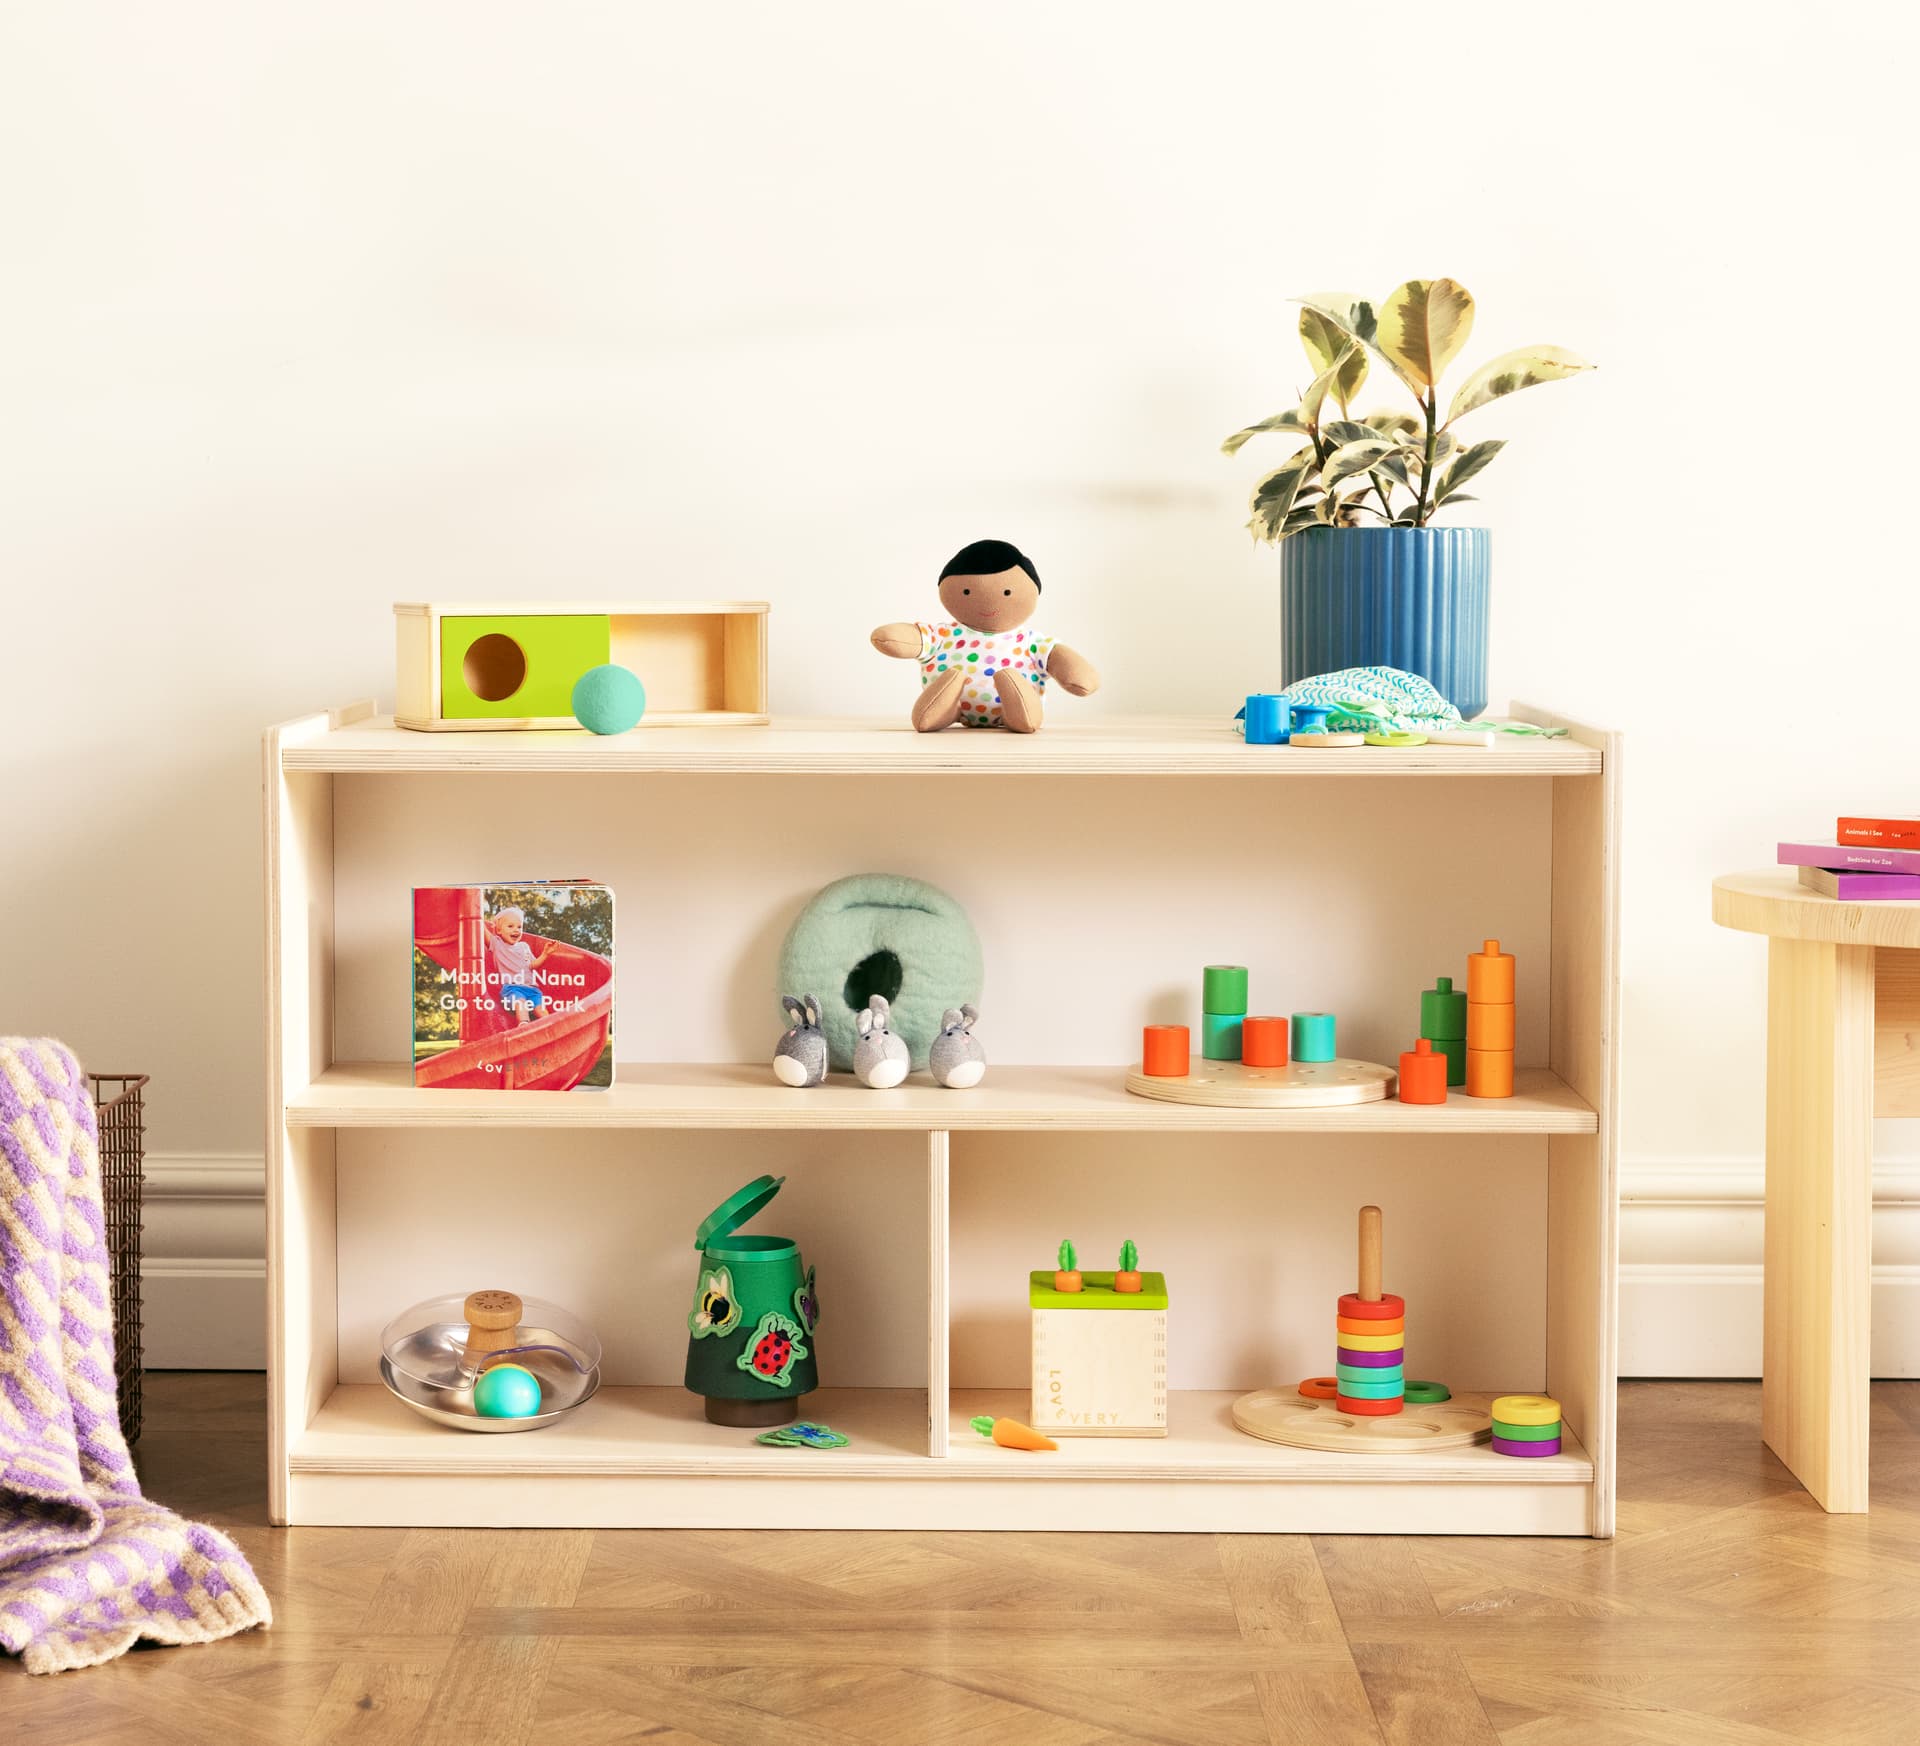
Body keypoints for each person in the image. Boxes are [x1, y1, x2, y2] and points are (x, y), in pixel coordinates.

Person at [484, 906, 554, 1024]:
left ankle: (551, 1026)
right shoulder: (497, 944)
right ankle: (524, 1024)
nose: (516, 930)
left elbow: (532, 965)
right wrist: (475, 914)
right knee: (520, 1002)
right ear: (499, 930)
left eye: (519, 927)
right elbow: (482, 930)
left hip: (532, 989)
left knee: (541, 1010)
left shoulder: (524, 946)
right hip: (512, 989)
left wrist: (545, 953)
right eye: (510, 926)